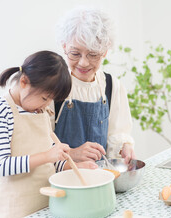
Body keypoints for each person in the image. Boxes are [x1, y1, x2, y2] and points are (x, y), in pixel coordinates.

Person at [0, 50, 97, 218]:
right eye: (44, 98)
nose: (46, 104)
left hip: (48, 207)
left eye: (50, 100)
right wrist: (48, 156)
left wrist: (74, 167)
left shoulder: (39, 111)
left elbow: (51, 162)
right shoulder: (0, 111)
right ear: (24, 82)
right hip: (16, 216)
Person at [53, 7, 136, 163]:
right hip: (61, 181)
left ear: (105, 51)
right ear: (64, 47)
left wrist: (124, 146)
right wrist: (72, 153)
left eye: (93, 54)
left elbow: (118, 133)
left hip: (100, 179)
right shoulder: (53, 87)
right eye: (75, 53)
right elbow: (40, 144)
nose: (84, 62)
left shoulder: (112, 87)